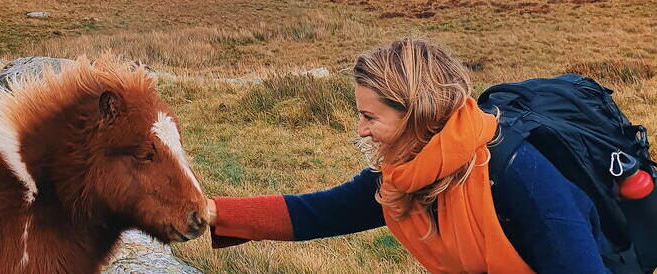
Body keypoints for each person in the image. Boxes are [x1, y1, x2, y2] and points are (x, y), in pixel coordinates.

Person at [206, 38, 609, 273]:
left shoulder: (525, 179)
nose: (360, 129)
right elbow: (320, 212)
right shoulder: (408, 173)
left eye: (369, 117)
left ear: (417, 115)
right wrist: (206, 211)